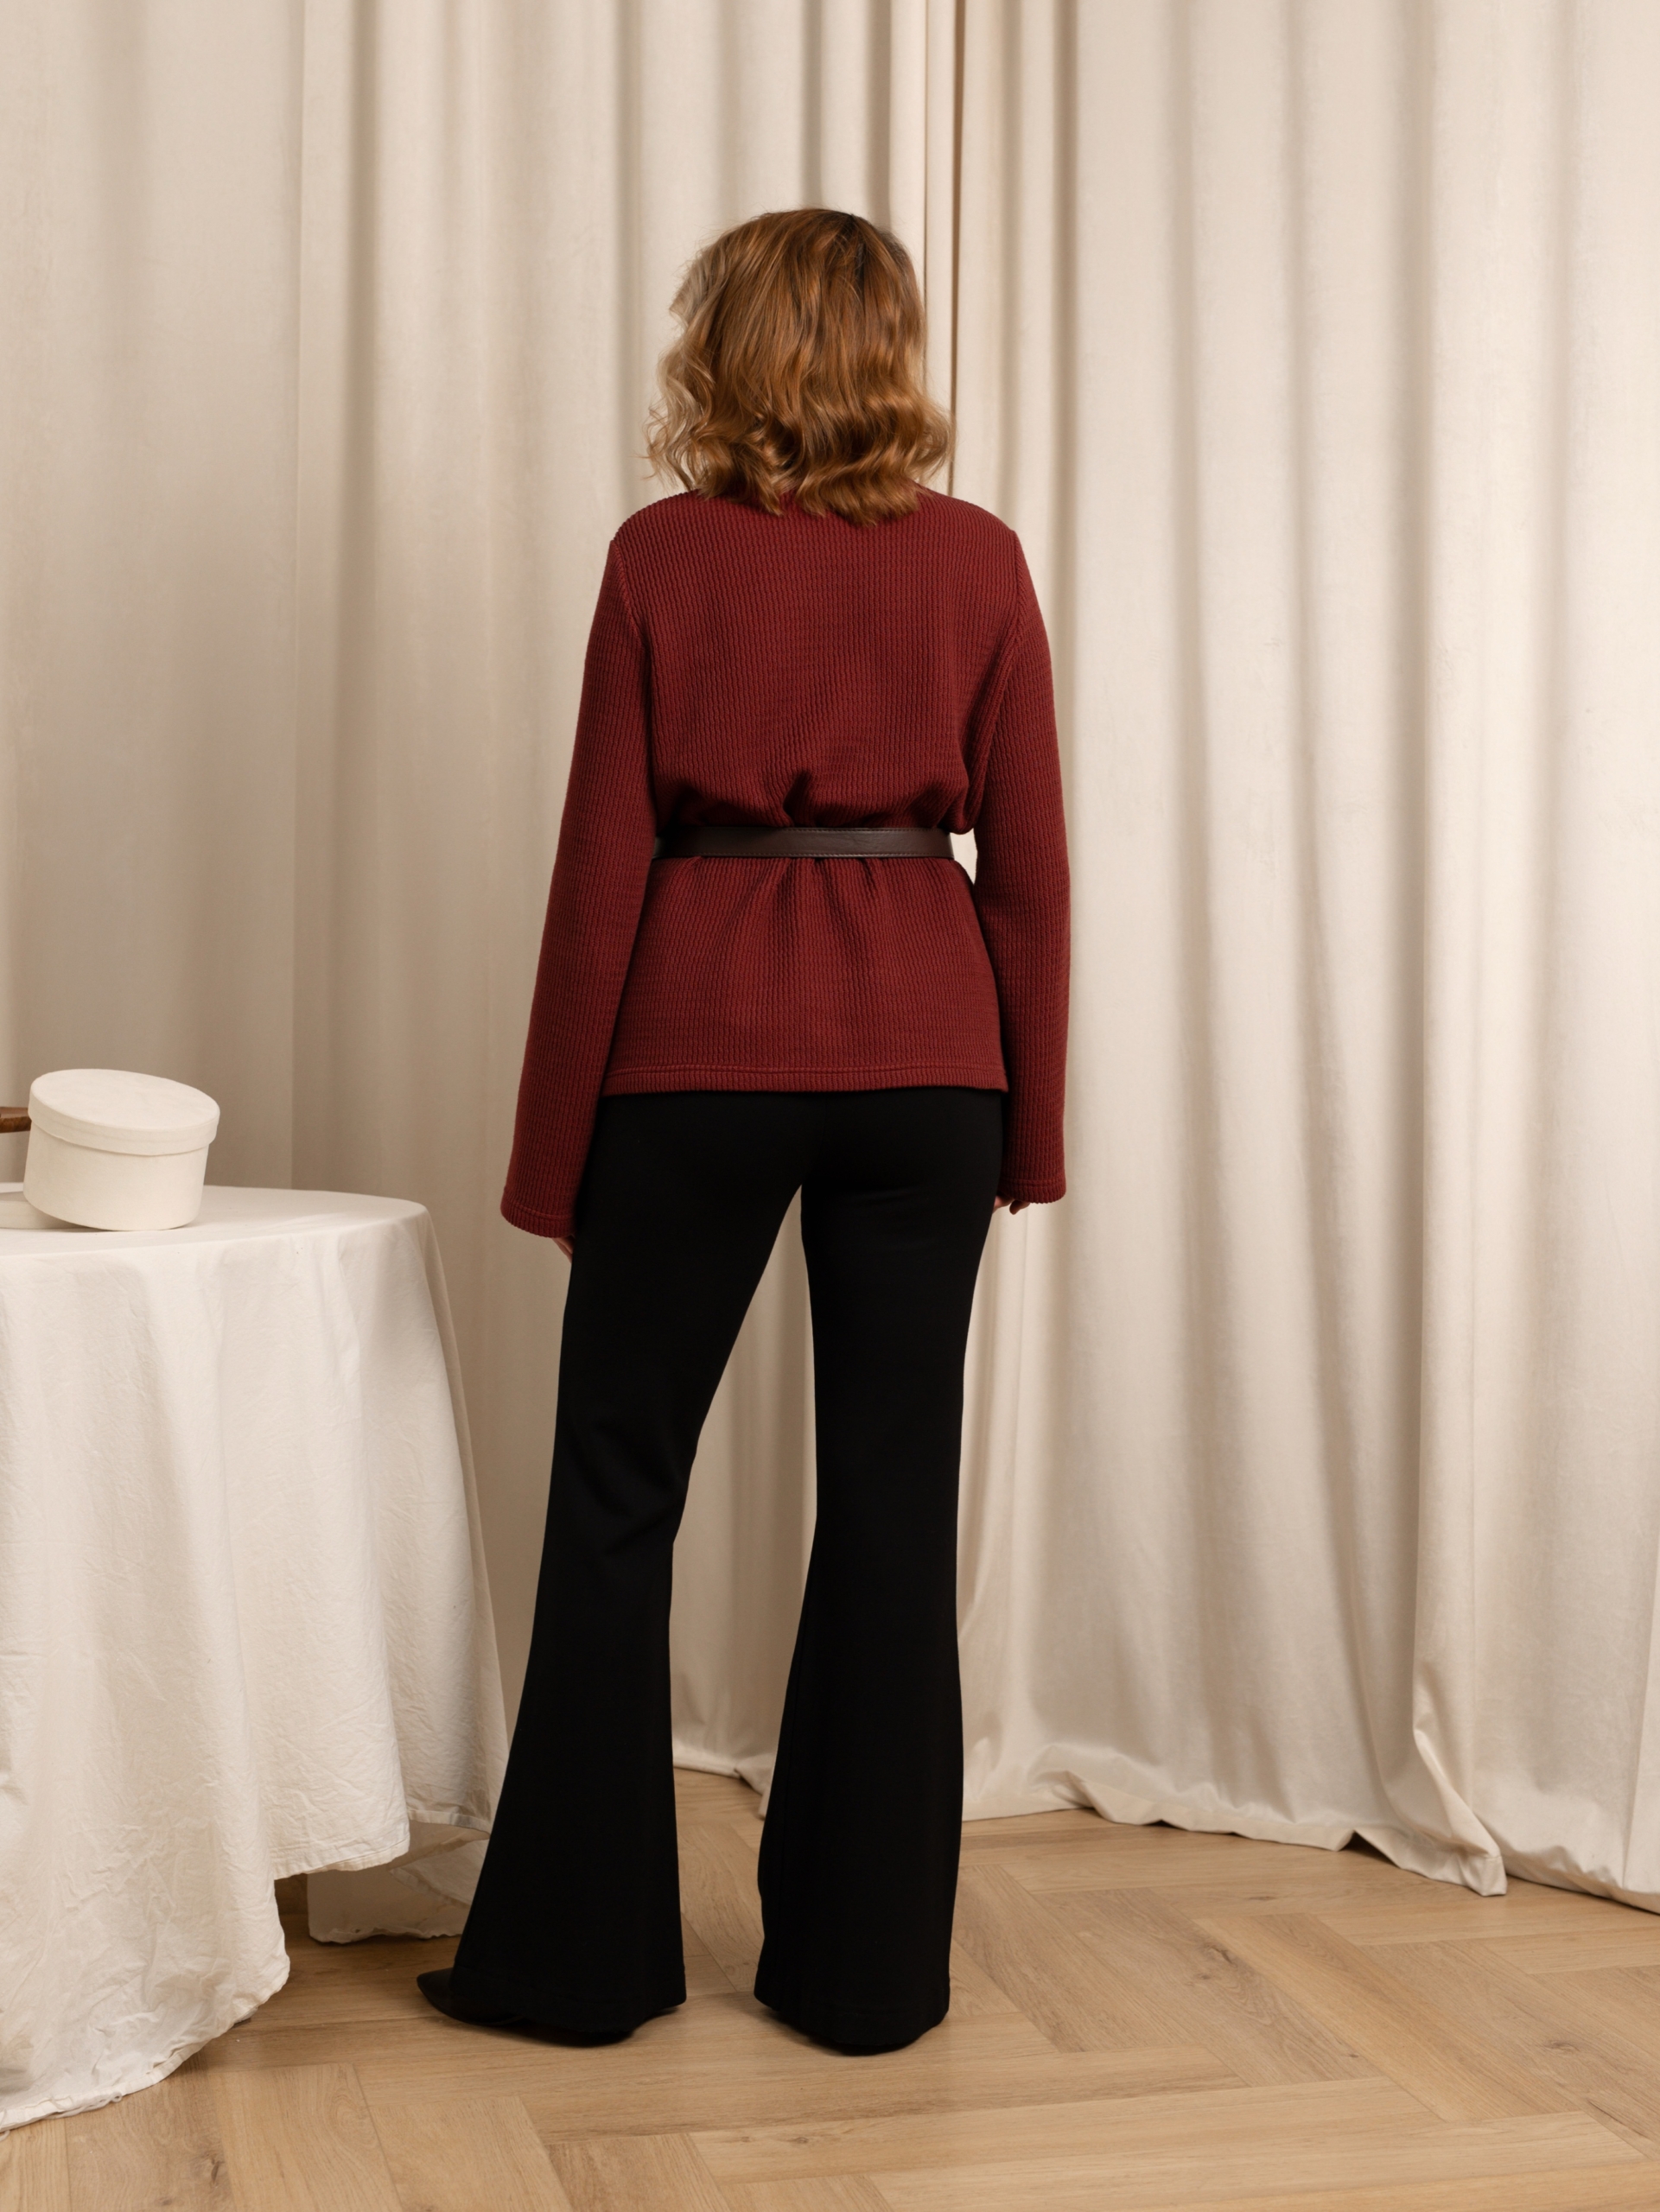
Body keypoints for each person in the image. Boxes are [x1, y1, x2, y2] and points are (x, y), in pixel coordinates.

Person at [417, 207, 1069, 2056]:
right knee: (891, 1502)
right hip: (928, 1070)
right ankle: (867, 1977)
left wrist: (551, 1156)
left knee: (618, 1490)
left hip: (696, 1054)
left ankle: (574, 1963)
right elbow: (1029, 873)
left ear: (726, 353)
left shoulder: (663, 556)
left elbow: (598, 872)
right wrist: (1028, 1130)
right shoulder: (979, 560)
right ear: (889, 354)